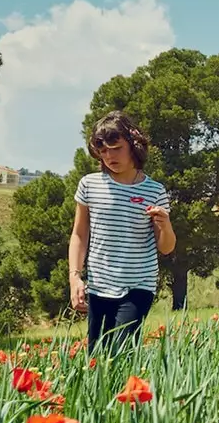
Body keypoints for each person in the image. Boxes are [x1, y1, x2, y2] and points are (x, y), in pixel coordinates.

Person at [68, 111, 175, 352]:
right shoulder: (89, 184)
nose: (109, 156)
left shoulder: (155, 191)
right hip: (99, 284)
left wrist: (165, 224)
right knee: (96, 357)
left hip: (138, 285)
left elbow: (166, 247)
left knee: (120, 352)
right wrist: (75, 277)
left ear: (134, 146)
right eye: (103, 151)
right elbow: (79, 234)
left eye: (116, 148)